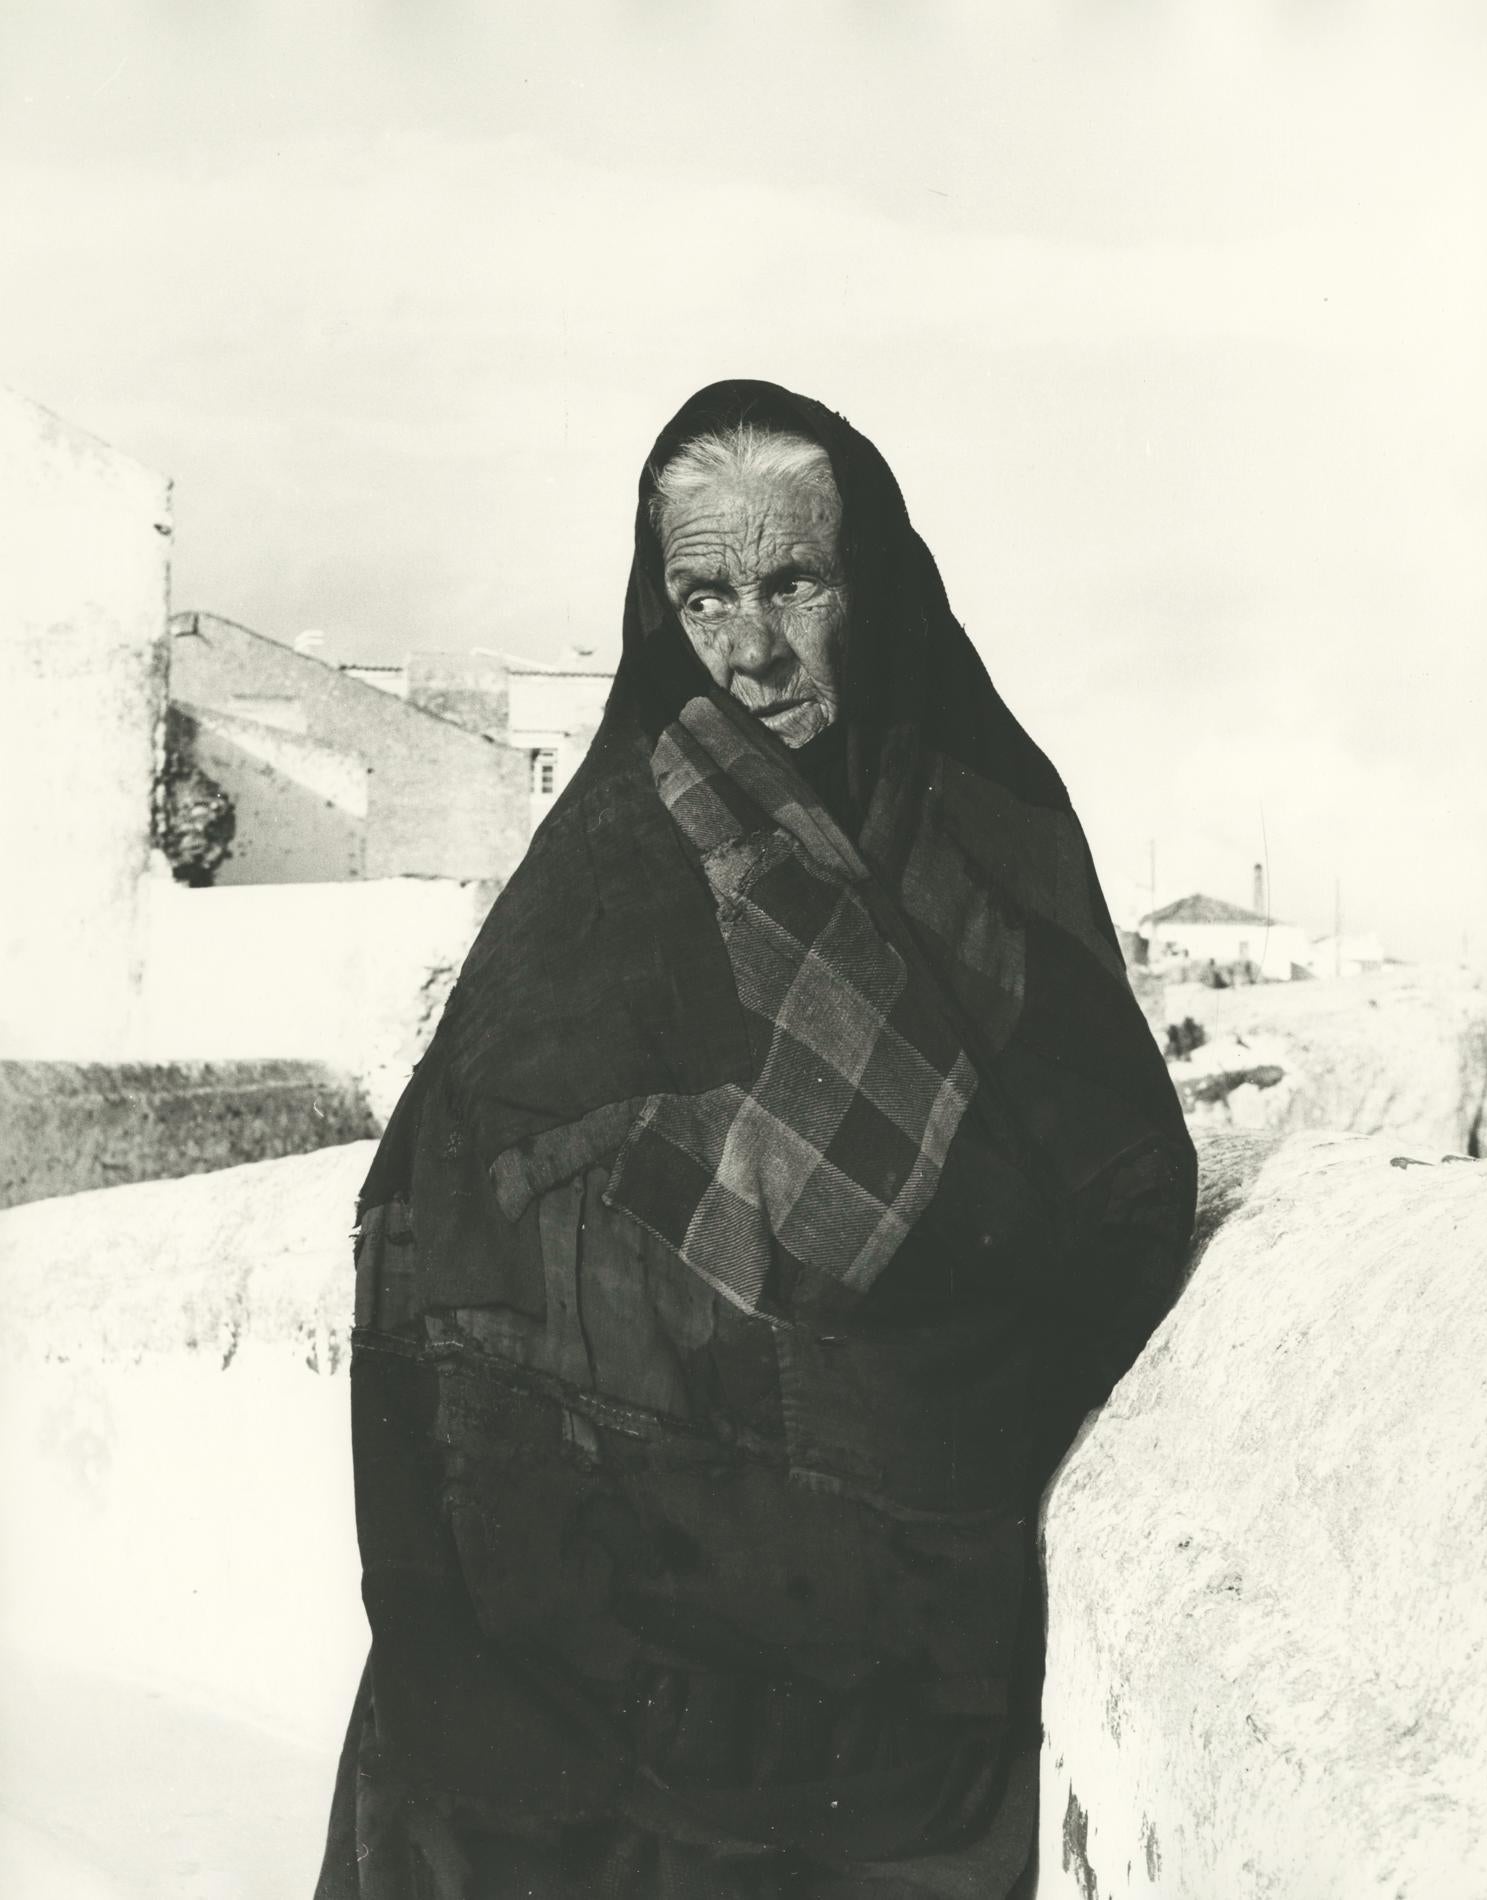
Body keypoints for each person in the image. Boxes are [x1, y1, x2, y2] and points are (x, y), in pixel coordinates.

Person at [315, 380, 1196, 1898]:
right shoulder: (611, 860)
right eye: (703, 594)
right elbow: (452, 1219)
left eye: (796, 583)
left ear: (877, 587)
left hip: (882, 1673)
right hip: (574, 1661)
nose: (752, 647)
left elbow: (1110, 1184)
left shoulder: (983, 830)